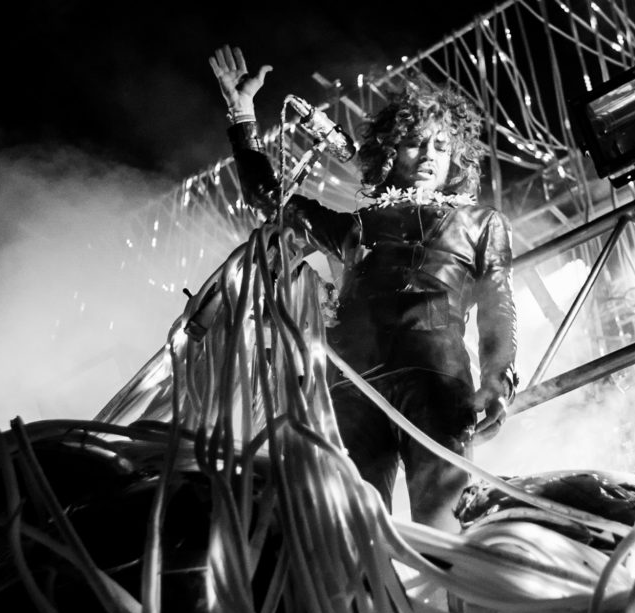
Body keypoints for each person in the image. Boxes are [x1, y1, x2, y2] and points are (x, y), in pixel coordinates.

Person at [210, 46, 517, 531]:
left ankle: (451, 604)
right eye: (415, 143)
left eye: (441, 146)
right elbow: (270, 198)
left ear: (457, 155)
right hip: (354, 387)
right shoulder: (356, 226)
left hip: (435, 384)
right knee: (354, 537)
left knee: (443, 537)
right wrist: (241, 115)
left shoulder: (480, 222)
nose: (427, 157)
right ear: (389, 152)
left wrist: (498, 380)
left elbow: (498, 307)